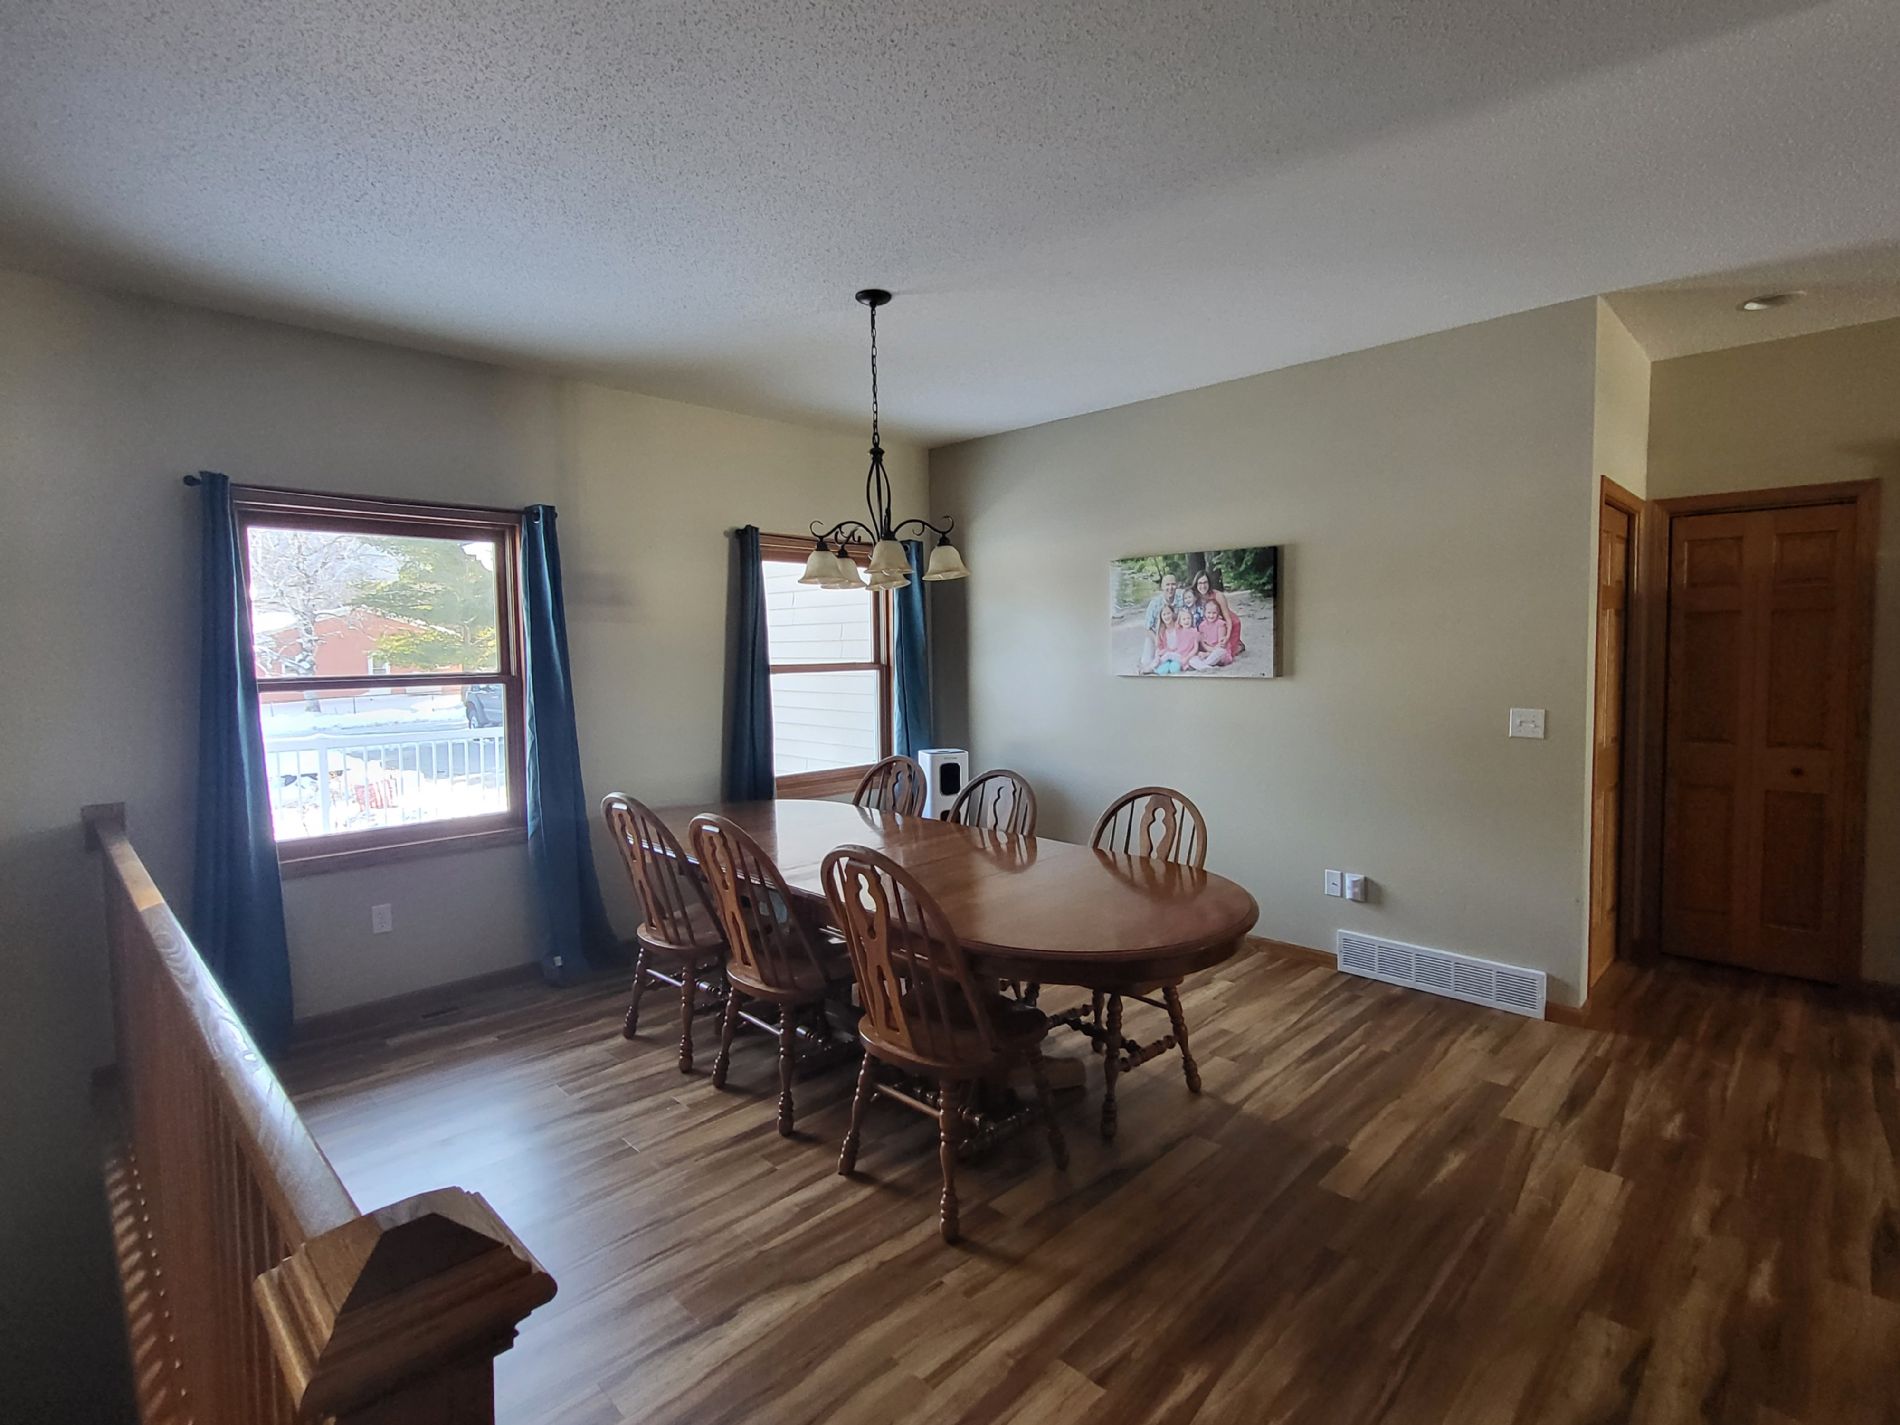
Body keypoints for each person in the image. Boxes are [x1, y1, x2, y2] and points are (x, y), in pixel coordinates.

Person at [1189, 569, 1243, 660]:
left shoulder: (1218, 595)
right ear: (1196, 584)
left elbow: (1228, 619)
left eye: (1205, 582)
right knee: (1208, 646)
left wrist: (1227, 637)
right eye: (1200, 583)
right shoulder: (1195, 596)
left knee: (1227, 652)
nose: (1203, 586)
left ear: (1209, 583)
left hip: (1230, 623)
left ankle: (1239, 645)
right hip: (1214, 624)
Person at [1189, 597, 1233, 670]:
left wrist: (1207, 654)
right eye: (1209, 613)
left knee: (1220, 652)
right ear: (1204, 613)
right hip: (1209, 654)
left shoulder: (1220, 624)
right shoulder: (1202, 626)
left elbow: (1221, 645)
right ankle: (1208, 667)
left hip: (1219, 654)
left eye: (1214, 613)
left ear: (1218, 613)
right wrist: (1205, 653)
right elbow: (1204, 644)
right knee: (1192, 660)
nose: (1211, 615)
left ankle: (1203, 665)